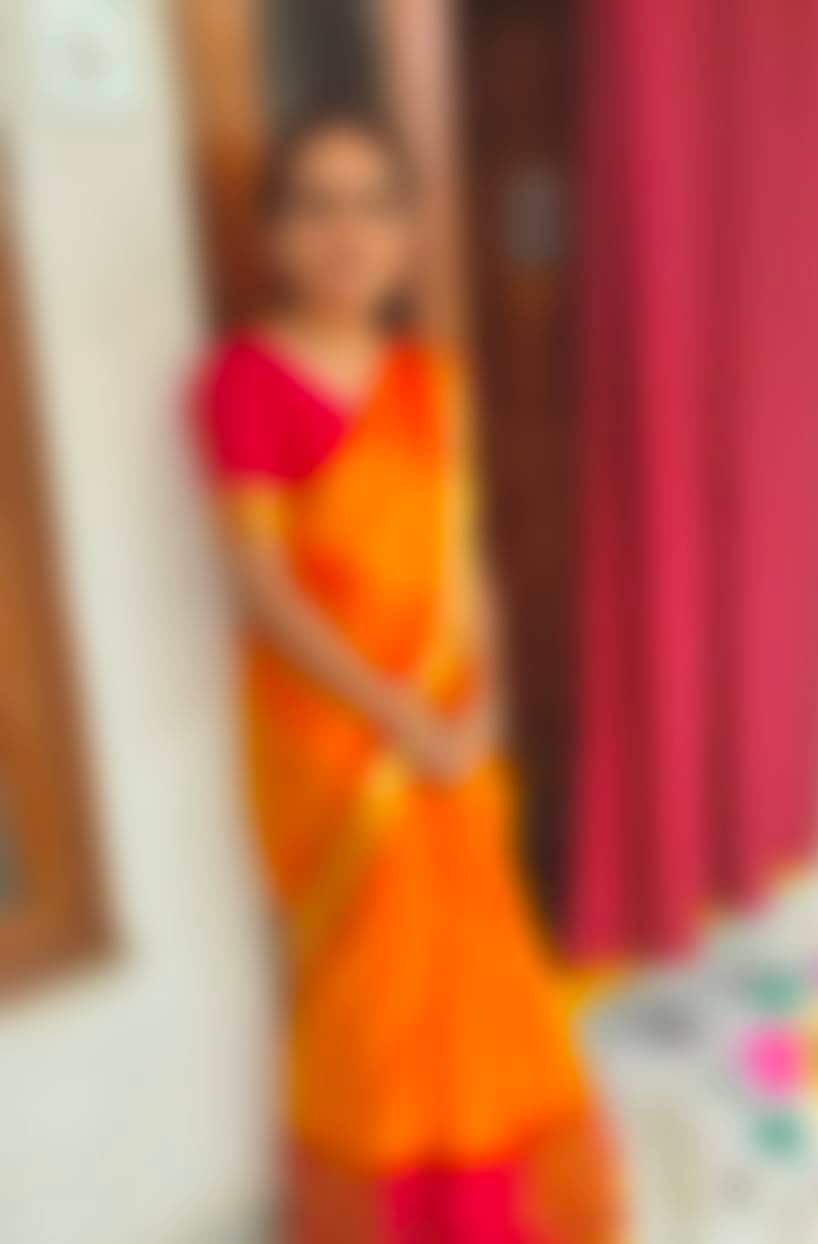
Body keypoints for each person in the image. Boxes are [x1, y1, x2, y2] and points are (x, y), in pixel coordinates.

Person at [192, 106, 618, 1243]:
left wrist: (486, 704)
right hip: (334, 744)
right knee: (372, 1007)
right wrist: (398, 719)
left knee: (477, 981)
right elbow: (263, 590)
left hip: (447, 723)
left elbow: (461, 559)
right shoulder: (240, 382)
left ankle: (491, 1215)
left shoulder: (433, 380)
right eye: (316, 206)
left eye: (374, 205)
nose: (348, 233)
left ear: (407, 232)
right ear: (274, 234)